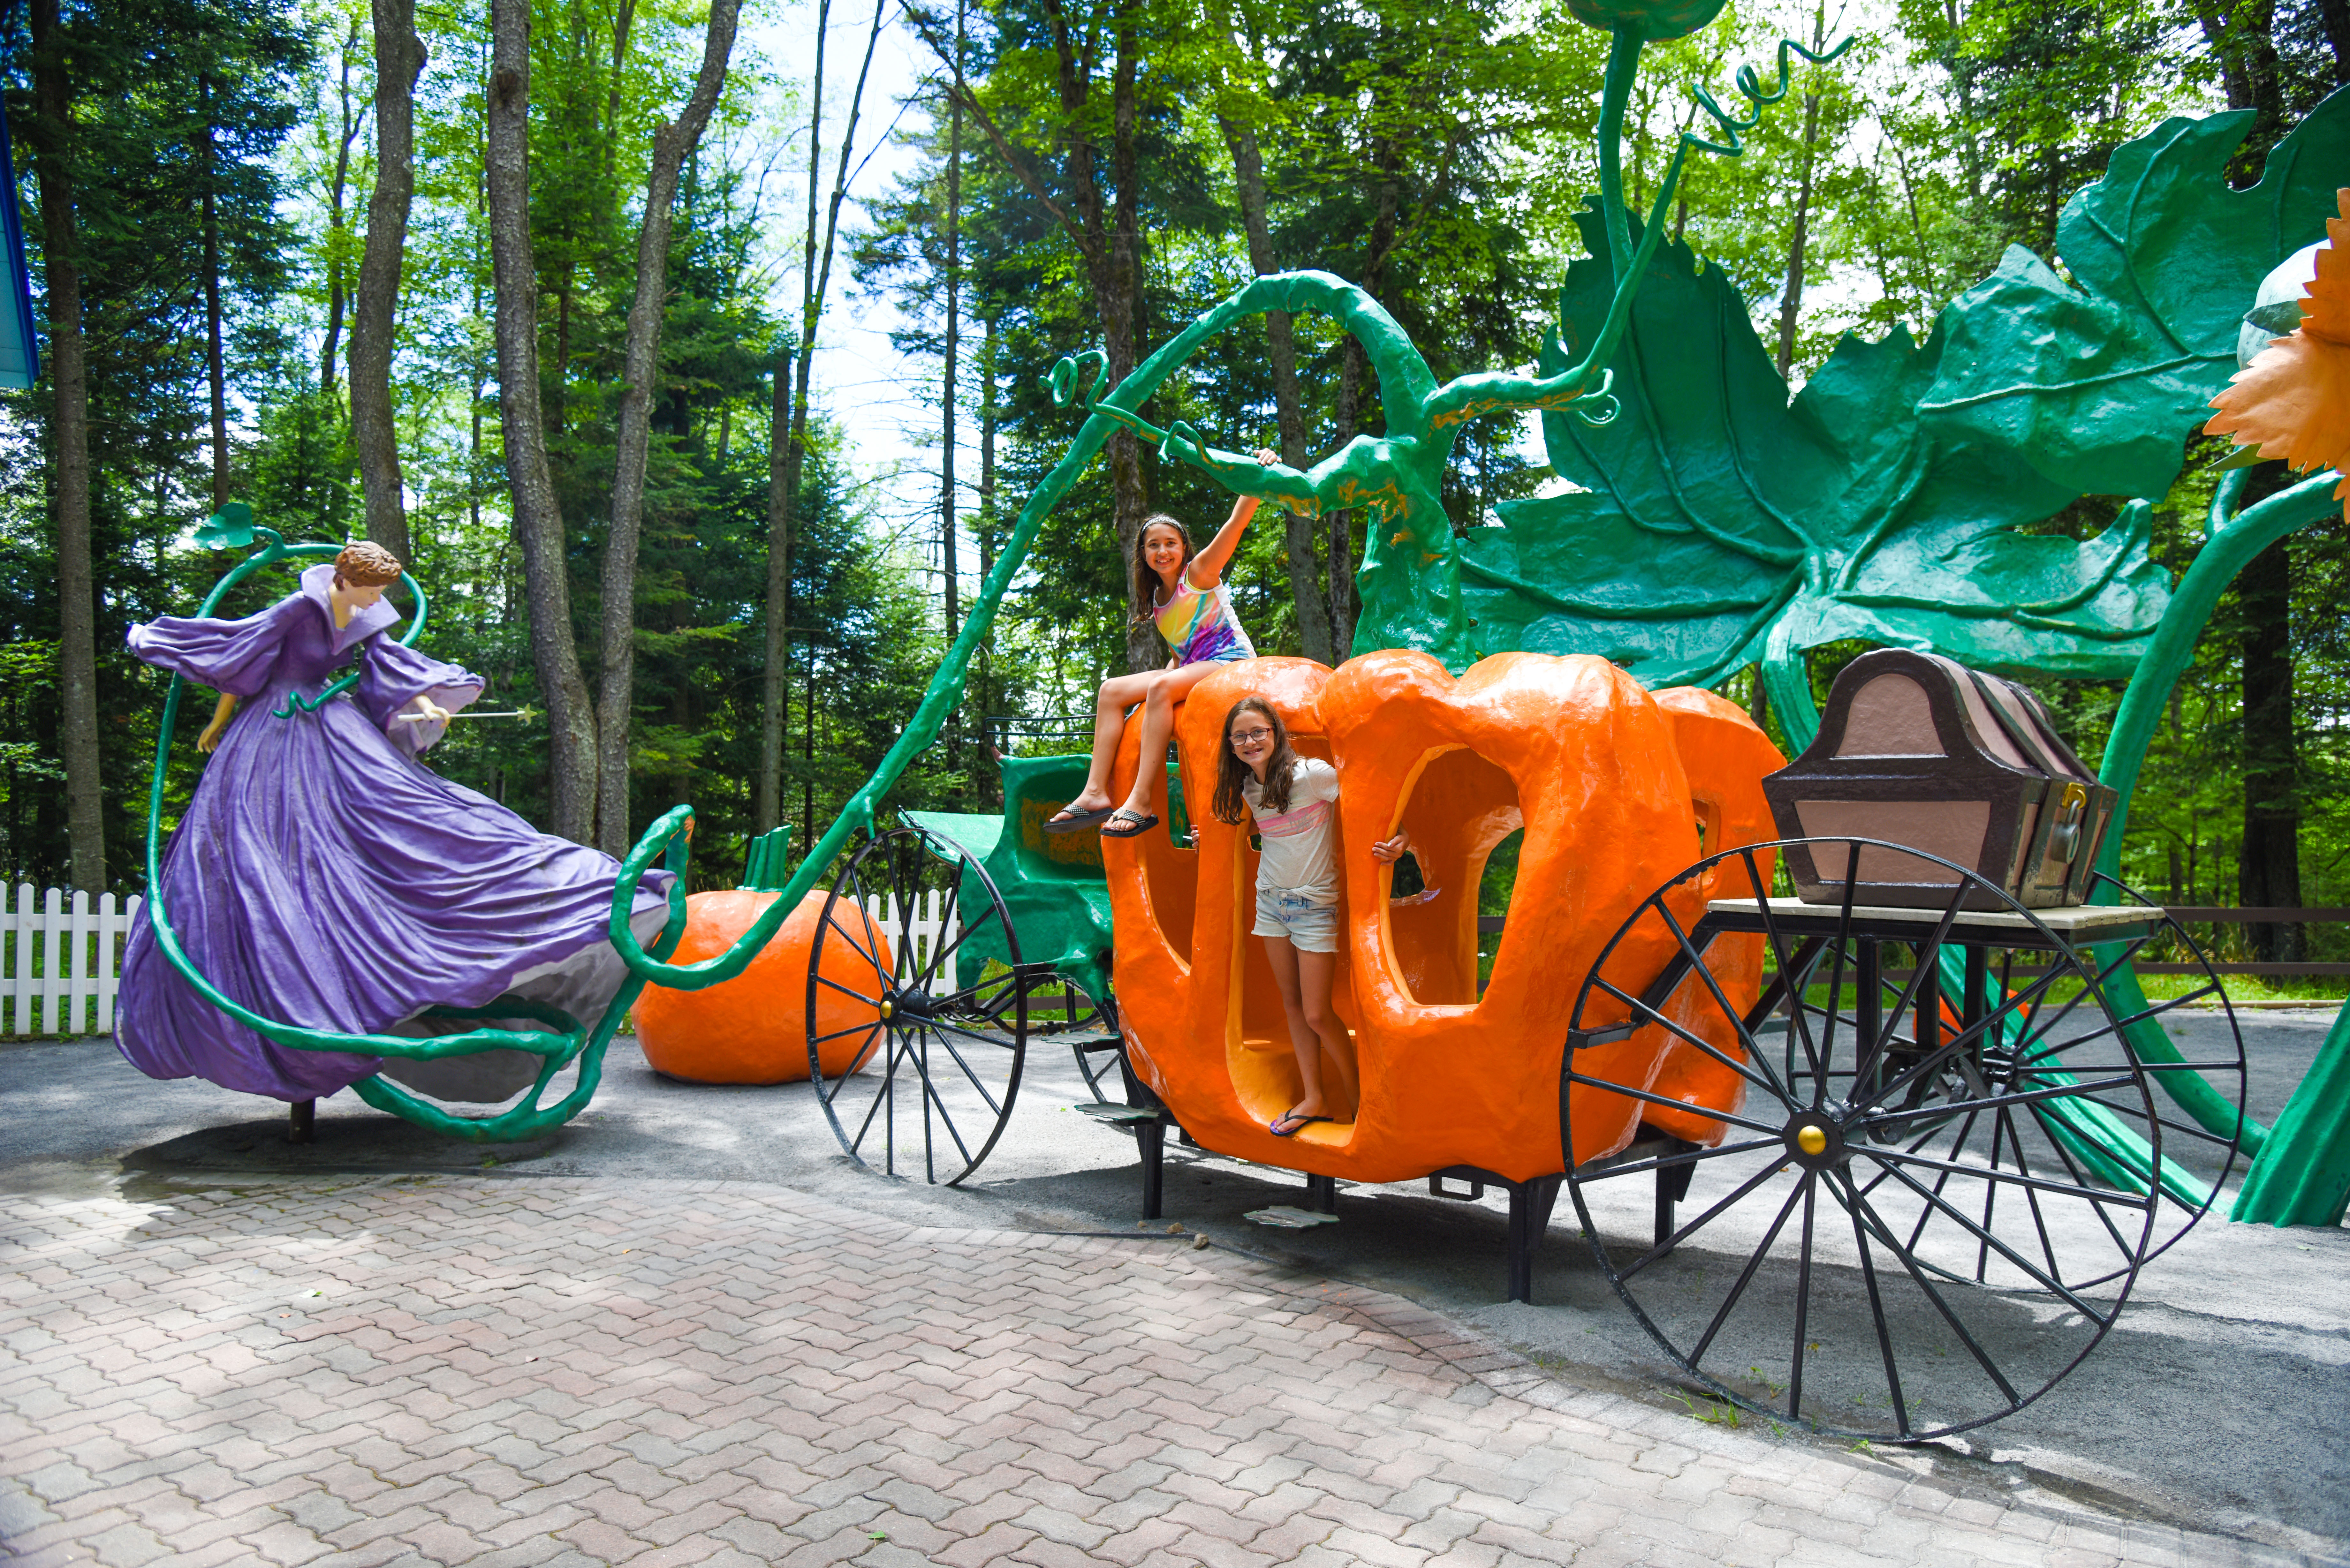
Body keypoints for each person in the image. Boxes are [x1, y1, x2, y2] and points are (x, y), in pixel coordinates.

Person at [117, 540, 674, 1106]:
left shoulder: (367, 613)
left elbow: (390, 667)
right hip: (274, 736)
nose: (377, 600)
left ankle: (532, 902)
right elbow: (243, 662)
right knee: (268, 849)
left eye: (383, 591)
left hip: (337, 731)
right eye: (371, 589)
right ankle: (299, 992)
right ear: (344, 578)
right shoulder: (296, 609)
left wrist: (426, 702)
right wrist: (218, 723)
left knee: (414, 814)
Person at [1046, 450, 1281, 842]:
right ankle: (1095, 791)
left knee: (1159, 688)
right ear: (1143, 554)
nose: (1162, 551)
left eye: (1170, 543)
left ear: (1184, 547)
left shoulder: (1201, 573)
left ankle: (1140, 800)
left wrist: (1260, 473)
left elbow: (1236, 524)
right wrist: (1154, 696)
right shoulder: (1157, 601)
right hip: (1197, 665)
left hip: (1231, 662)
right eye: (1153, 545)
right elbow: (1179, 655)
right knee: (1112, 690)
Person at [1211, 695, 1409, 1136]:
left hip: (1314, 903)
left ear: (1276, 733)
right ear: (1231, 744)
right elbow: (1232, 831)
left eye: (1258, 732)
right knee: (1294, 1007)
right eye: (1240, 736)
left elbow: (1374, 805)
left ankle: (1362, 1103)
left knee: (1318, 1013)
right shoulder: (1248, 789)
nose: (1250, 741)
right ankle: (1315, 1098)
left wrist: (1402, 838)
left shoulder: (1313, 775)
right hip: (1271, 904)